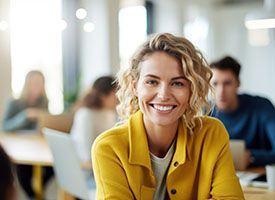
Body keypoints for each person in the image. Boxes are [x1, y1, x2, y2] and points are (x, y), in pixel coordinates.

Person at [92, 33, 244, 199]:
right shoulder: (109, 147)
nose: (163, 95)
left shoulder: (211, 133)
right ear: (135, 86)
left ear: (191, 90)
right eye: (152, 81)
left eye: (177, 83)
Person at [210, 56, 275, 167]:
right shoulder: (204, 112)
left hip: (259, 179)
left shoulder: (262, 107)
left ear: (238, 83)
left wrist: (252, 157)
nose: (221, 91)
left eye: (227, 83)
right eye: (215, 84)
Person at [1, 70, 53, 199]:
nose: (38, 85)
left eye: (41, 83)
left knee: (52, 167)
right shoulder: (15, 103)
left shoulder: (44, 102)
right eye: (35, 82)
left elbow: (45, 125)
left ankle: (37, 194)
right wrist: (26, 115)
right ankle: (33, 195)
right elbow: (5, 127)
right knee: (23, 170)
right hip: (20, 147)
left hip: (38, 146)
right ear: (27, 84)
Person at [71, 76, 117, 162]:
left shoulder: (110, 113)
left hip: (104, 161)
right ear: (103, 96)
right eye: (115, 94)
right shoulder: (86, 114)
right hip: (87, 167)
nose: (118, 98)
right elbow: (87, 153)